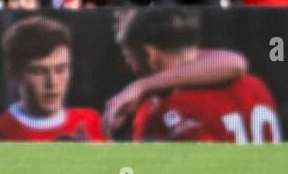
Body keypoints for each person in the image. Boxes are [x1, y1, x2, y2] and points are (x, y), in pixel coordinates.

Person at [108, 9, 279, 142]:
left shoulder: (159, 111)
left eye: (128, 55)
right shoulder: (254, 85)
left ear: (150, 55)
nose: (127, 65)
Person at [0, 16, 106, 141]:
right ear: (13, 73)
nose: (52, 83)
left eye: (61, 70)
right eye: (39, 71)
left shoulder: (91, 121)